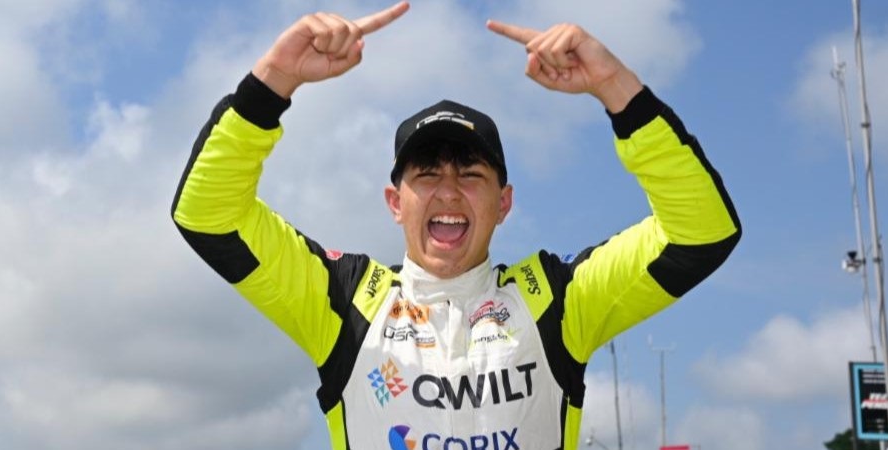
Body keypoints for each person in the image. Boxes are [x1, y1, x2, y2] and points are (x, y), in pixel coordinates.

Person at [171, 2, 740, 449]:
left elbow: (701, 233)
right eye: (426, 174)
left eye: (470, 174)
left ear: (504, 203)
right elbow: (208, 216)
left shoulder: (561, 300)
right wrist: (272, 81)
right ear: (395, 203)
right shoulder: (342, 301)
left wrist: (615, 86)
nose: (447, 191)